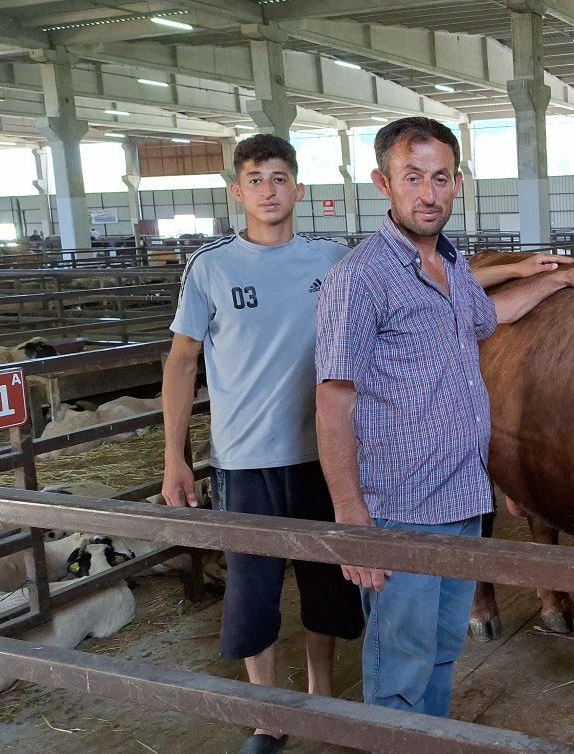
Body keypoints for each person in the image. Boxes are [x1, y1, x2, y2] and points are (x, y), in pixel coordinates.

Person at [314, 117, 574, 720]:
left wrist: (569, 279)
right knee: (401, 659)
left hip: (462, 502)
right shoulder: (359, 278)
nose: (428, 194)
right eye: (412, 178)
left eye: (439, 178)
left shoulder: (452, 267)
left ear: (458, 183)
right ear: (383, 183)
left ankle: (427, 739)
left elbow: (493, 314)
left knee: (439, 651)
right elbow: (333, 398)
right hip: (398, 509)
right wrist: (352, 519)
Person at [161, 134, 365, 754]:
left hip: (322, 457)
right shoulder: (212, 267)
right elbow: (182, 359)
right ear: (236, 192)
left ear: (299, 189)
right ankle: (268, 715)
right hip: (244, 460)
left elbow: (410, 289)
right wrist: (175, 455)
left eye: (280, 178)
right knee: (253, 593)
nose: (269, 190)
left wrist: (515, 270)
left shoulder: (333, 258)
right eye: (256, 179)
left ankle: (323, 699)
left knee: (326, 585)